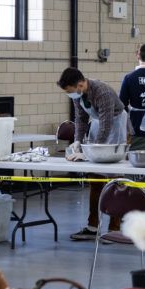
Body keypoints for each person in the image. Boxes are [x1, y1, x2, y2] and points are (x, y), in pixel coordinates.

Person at [57, 67, 129, 241]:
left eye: (69, 91)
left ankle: (114, 228)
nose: (69, 95)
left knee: (114, 180)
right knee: (95, 177)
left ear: (80, 84)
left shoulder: (102, 92)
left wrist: (91, 154)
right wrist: (78, 142)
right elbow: (80, 120)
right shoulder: (78, 95)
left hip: (115, 125)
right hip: (98, 124)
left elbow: (106, 125)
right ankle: (92, 226)